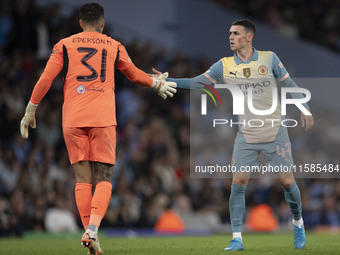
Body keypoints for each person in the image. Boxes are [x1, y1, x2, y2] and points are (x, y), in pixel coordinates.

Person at [20, 2, 176, 254]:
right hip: (103, 119)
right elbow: (135, 75)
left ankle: (90, 236)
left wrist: (30, 110)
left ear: (80, 23)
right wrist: (155, 84)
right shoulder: (114, 45)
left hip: (72, 118)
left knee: (82, 180)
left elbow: (45, 79)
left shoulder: (64, 45)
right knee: (104, 177)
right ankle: (92, 230)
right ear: (102, 23)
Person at [153, 19, 314, 251]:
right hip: (246, 134)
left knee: (287, 181)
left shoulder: (269, 58)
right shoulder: (224, 64)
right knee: (238, 182)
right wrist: (168, 81)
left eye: (236, 33)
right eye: (229, 33)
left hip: (275, 131)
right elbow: (198, 83)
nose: (230, 37)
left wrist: (304, 109)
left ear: (249, 37)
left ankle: (298, 223)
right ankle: (237, 238)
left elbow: (289, 83)